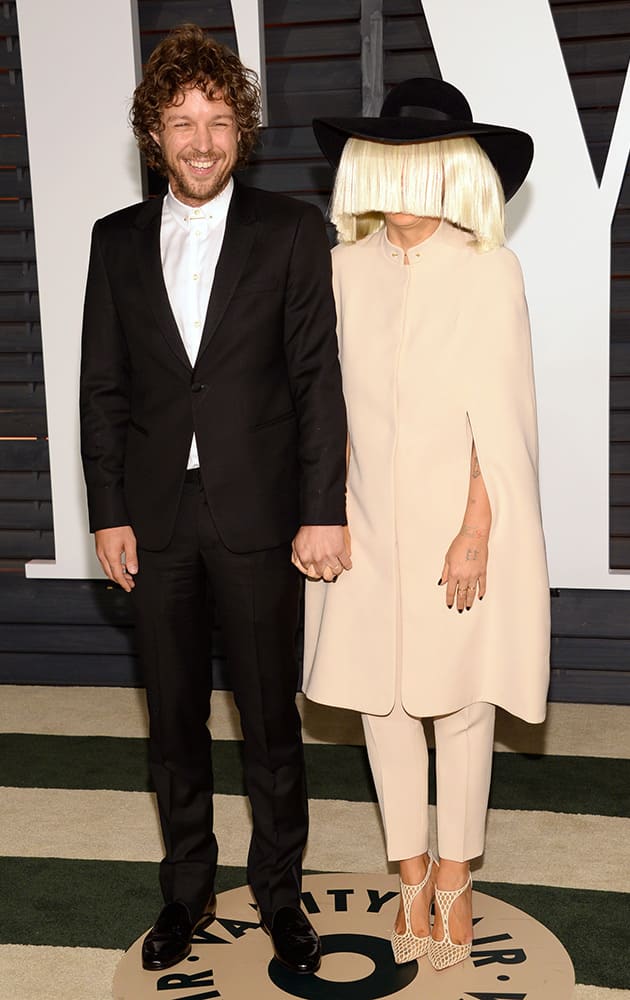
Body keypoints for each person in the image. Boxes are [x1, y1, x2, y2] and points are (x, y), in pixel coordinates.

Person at [80, 23, 350, 975]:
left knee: (271, 720)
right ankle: (185, 891)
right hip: (152, 523)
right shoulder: (112, 243)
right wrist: (106, 512)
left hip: (263, 514)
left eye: (219, 120)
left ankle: (282, 894)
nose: (201, 140)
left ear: (244, 131)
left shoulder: (289, 231)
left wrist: (325, 508)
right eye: (182, 120)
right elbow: (102, 390)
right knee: (174, 720)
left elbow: (318, 380)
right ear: (153, 132)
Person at [302, 78, 550, 971]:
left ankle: (456, 874)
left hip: (460, 518)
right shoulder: (339, 268)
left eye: (426, 161)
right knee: (384, 701)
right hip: (363, 522)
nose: (405, 179)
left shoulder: (490, 267)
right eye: (389, 159)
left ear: (453, 171)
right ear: (367, 166)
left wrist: (477, 525)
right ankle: (406, 870)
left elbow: (504, 415)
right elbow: (317, 407)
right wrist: (320, 512)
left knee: (461, 701)